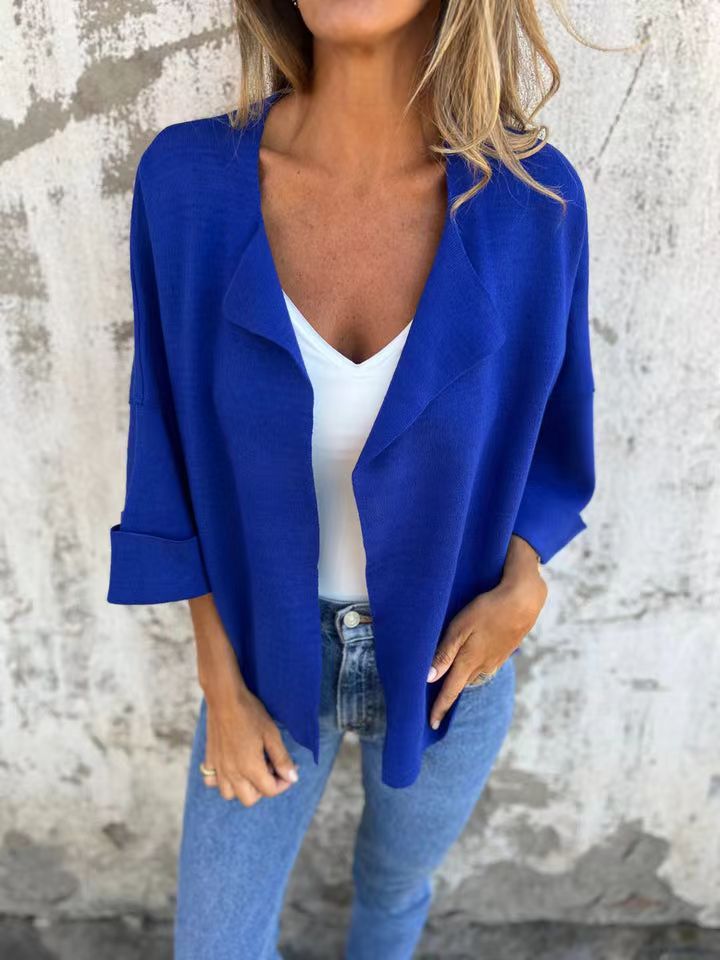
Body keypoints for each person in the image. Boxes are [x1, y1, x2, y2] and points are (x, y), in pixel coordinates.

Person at [107, 1, 596, 956]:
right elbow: (163, 441)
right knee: (215, 942)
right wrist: (220, 682)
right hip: (260, 658)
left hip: (454, 664)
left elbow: (555, 431)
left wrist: (526, 580)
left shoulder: (534, 204)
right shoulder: (189, 184)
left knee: (394, 887)